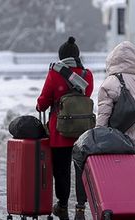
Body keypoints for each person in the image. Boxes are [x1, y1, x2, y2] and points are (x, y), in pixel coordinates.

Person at [36, 36, 94, 220]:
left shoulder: (55, 73)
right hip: (82, 132)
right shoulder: (87, 75)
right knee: (80, 171)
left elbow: (44, 101)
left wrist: (40, 106)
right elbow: (85, 97)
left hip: (60, 132)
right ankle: (80, 209)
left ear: (61, 56)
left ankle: (62, 206)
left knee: (61, 171)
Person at [97, 41, 135, 165]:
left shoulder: (110, 82)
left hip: (117, 144)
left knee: (117, 182)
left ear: (113, 60)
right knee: (133, 182)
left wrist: (98, 141)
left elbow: (103, 116)